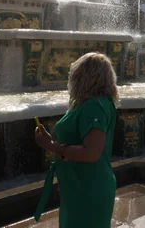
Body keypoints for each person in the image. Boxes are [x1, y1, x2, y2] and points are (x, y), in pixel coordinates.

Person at [34, 53, 119, 227]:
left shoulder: (93, 106)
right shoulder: (101, 103)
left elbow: (91, 153)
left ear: (84, 76)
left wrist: (52, 146)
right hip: (80, 185)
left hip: (88, 188)